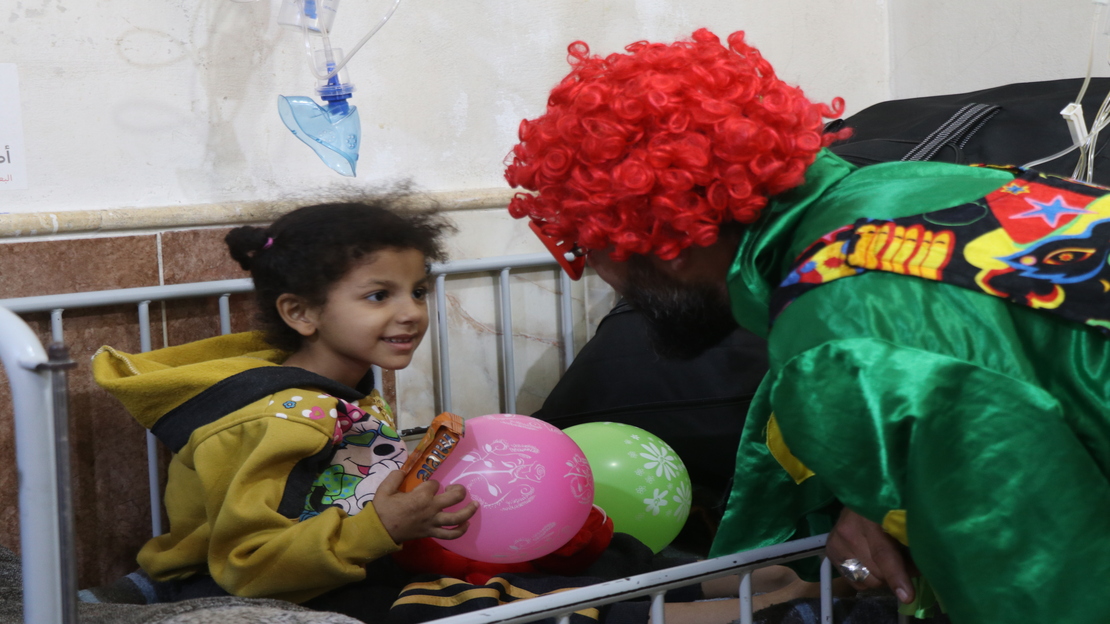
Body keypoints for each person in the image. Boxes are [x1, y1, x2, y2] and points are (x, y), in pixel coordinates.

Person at [504, 28, 1110, 624]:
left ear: (667, 244)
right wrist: (895, 493)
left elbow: (1042, 591)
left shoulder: (836, 343)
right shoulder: (912, 183)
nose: (596, 278)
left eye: (587, 248)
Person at [91, 197, 770, 624]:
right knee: (464, 601)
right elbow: (247, 562)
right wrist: (382, 524)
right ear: (299, 312)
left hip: (344, 552)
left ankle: (717, 585)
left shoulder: (344, 393)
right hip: (267, 582)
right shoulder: (271, 418)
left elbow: (347, 484)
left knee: (578, 541)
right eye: (378, 296)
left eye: (417, 290)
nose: (411, 312)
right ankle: (705, 609)